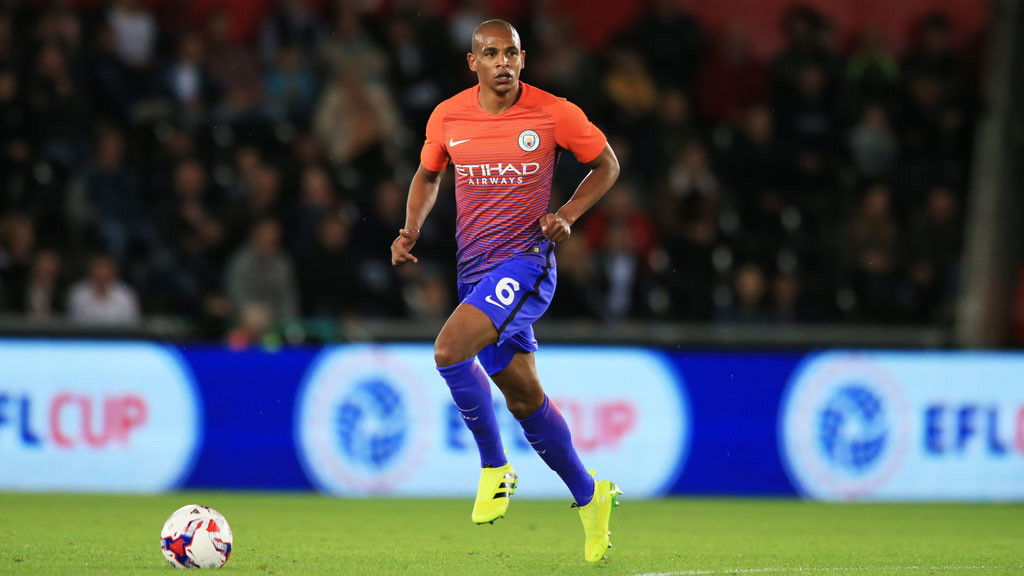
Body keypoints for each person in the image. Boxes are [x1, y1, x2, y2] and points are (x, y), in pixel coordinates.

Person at [390, 20, 621, 562]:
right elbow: (428, 175)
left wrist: (567, 214)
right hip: (475, 273)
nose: (503, 63)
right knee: (524, 399)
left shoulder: (554, 113)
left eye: (511, 53)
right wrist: (410, 228)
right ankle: (591, 496)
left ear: (523, 59)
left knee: (449, 350)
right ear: (473, 63)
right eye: (491, 54)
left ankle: (495, 467)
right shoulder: (447, 116)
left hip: (526, 264)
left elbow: (606, 164)